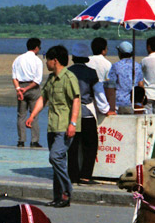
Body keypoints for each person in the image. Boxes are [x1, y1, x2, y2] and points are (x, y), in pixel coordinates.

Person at [25, 45, 80, 208]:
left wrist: (73, 123)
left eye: (47, 59)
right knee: (59, 162)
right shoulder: (50, 79)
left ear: (54, 61)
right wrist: (32, 115)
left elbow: (76, 100)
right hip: (52, 125)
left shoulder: (69, 78)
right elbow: (43, 99)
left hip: (65, 126)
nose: (46, 63)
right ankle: (59, 196)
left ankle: (67, 190)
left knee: (55, 157)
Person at [66, 43, 99, 185]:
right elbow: (99, 93)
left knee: (72, 147)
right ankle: (86, 175)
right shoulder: (92, 73)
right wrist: (105, 108)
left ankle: (73, 175)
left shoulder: (67, 73)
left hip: (70, 114)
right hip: (86, 112)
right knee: (90, 145)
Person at [12, 37, 43, 148]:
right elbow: (37, 80)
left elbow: (14, 77)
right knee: (34, 114)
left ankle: (21, 140)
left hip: (21, 87)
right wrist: (27, 88)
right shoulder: (37, 61)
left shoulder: (18, 59)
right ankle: (34, 141)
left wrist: (19, 89)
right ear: (36, 48)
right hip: (33, 88)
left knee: (21, 115)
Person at [106, 41, 143, 115]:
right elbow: (141, 85)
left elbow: (111, 86)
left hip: (118, 103)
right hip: (133, 102)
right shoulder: (137, 66)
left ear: (120, 53)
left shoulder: (115, 66)